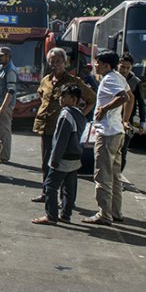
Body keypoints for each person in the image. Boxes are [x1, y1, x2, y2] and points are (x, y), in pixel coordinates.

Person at [32, 47, 96, 202]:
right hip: (46, 127)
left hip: (64, 130)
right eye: (52, 62)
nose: (55, 65)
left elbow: (91, 99)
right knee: (46, 162)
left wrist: (78, 117)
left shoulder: (73, 82)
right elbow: (42, 96)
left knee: (65, 165)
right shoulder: (46, 80)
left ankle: (65, 199)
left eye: (59, 61)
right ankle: (46, 192)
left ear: (65, 63)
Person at [82, 50, 133, 226]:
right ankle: (115, 212)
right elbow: (129, 97)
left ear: (106, 65)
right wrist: (124, 119)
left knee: (102, 175)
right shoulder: (118, 77)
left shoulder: (110, 78)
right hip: (117, 131)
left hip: (108, 133)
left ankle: (104, 213)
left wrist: (104, 109)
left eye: (97, 63)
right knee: (115, 175)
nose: (95, 66)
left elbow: (124, 97)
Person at [32, 83, 87, 225]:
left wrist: (54, 159)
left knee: (50, 187)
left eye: (64, 96)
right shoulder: (80, 114)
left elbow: (61, 140)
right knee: (69, 188)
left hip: (63, 157)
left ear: (73, 99)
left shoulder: (66, 114)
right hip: (75, 157)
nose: (60, 98)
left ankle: (51, 216)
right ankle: (66, 215)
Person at [117, 52, 145, 172]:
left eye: (128, 68)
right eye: (122, 67)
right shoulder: (112, 78)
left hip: (128, 121)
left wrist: (142, 122)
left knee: (123, 151)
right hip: (111, 118)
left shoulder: (135, 82)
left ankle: (117, 176)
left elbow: (141, 103)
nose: (124, 70)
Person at [0, 46, 18, 164]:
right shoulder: (1, 68)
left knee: (4, 132)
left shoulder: (10, 70)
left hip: (4, 105)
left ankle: (4, 157)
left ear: (8, 57)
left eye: (1, 56)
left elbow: (10, 91)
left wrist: (3, 107)